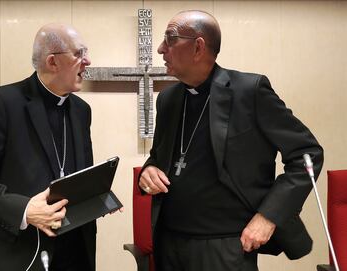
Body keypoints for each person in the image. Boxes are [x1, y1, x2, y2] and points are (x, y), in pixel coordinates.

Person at [139, 10, 324, 271]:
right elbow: (160, 157)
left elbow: (307, 153)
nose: (160, 49)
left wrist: (269, 216)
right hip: (169, 243)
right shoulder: (167, 100)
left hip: (225, 247)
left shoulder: (250, 91)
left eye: (170, 39)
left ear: (198, 47)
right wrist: (149, 170)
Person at [0, 23, 97, 270]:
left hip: (73, 250)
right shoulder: (1, 102)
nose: (88, 61)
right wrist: (24, 209)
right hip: (16, 250)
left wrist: (97, 195)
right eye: (79, 53)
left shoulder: (81, 110)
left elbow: (78, 172)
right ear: (53, 62)